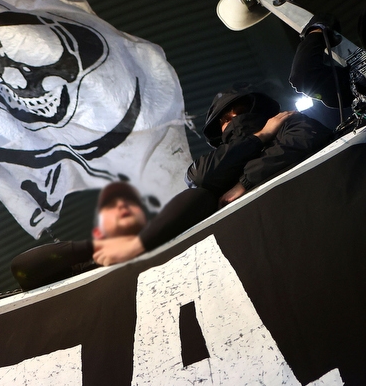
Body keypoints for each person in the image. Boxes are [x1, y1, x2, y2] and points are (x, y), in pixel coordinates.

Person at [89, 85, 333, 267]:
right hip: (250, 239)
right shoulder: (216, 160)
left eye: (238, 113)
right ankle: (133, 247)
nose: (232, 122)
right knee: (199, 197)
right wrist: (260, 137)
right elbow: (202, 178)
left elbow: (304, 140)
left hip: (304, 210)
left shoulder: (289, 123)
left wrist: (243, 184)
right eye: (225, 120)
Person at [10, 182, 216, 290]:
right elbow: (23, 269)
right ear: (99, 232)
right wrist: (95, 249)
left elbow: (198, 197)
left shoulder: (171, 233)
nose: (122, 205)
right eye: (111, 206)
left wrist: (136, 245)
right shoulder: (83, 270)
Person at [290, 13, 366, 110]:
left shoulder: (360, 81)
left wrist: (316, 32)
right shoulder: (360, 81)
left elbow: (304, 78)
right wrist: (317, 32)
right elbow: (304, 77)